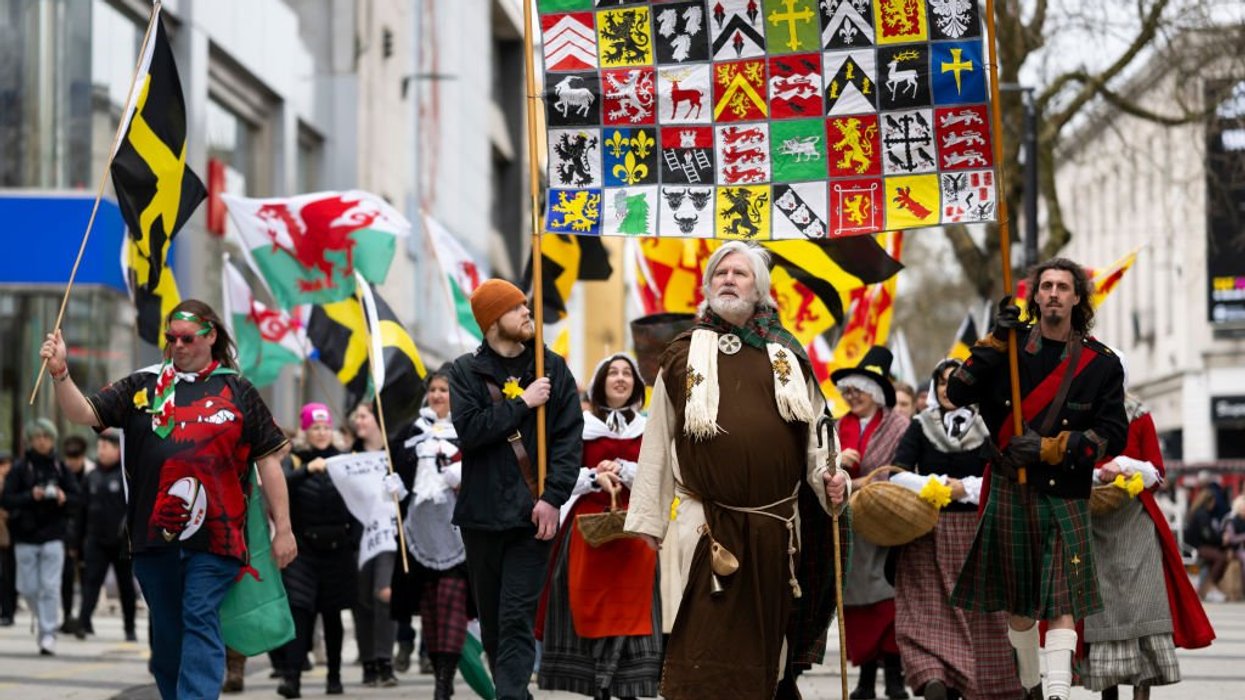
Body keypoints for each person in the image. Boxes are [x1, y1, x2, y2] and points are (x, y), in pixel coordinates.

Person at [623, 242, 850, 700]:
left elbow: (816, 440)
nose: (728, 278)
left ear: (760, 290)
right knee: (703, 646)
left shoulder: (787, 354)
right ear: (707, 287)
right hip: (704, 526)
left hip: (775, 531)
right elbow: (657, 446)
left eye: (740, 273)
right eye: (720, 272)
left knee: (767, 651)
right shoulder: (682, 355)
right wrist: (647, 524)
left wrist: (832, 480)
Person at [39, 300, 295, 699]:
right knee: (169, 631)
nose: (177, 346)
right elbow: (83, 413)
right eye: (171, 338)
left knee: (199, 613)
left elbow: (270, 463)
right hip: (152, 537)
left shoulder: (238, 389)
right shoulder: (143, 386)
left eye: (187, 338)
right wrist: (60, 373)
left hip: (218, 539)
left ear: (210, 336)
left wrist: (285, 530)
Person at [946, 258, 1128, 700]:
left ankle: (1058, 693)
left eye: (1062, 287)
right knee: (1020, 606)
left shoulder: (1100, 365)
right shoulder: (1006, 350)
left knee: (1062, 603)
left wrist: (1055, 448)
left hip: (1064, 490)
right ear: (1035, 297)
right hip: (1012, 489)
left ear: (1076, 298)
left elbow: (1113, 435)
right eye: (1045, 286)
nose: (1052, 293)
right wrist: (993, 340)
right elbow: (958, 392)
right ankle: (1031, 685)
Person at [448, 278, 584, 700]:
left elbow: (568, 440)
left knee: (515, 616)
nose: (528, 313)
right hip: (481, 516)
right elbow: (469, 431)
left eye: (526, 305)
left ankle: (509, 696)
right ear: (492, 321)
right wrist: (522, 404)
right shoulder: (464, 371)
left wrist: (552, 498)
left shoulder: (552, 367)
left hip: (532, 517)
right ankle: (512, 693)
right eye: (517, 308)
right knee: (492, 619)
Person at [890, 359, 1021, 700]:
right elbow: (897, 473)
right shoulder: (920, 425)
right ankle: (934, 676)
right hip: (927, 535)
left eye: (957, 381)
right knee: (925, 612)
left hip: (976, 534)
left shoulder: (989, 427)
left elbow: (1005, 477)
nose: (949, 388)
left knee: (981, 618)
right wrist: (931, 484)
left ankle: (973, 681)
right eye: (944, 382)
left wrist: (967, 488)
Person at [538, 353, 661, 699]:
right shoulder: (580, 425)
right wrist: (595, 476)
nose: (620, 378)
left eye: (626, 373)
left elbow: (657, 474)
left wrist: (622, 469)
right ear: (600, 383)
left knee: (631, 609)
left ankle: (627, 686)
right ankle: (600, 686)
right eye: (612, 373)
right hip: (586, 533)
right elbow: (559, 477)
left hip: (635, 531)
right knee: (591, 607)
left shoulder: (648, 427)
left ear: (636, 384)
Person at [1082, 386, 1214, 700]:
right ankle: (1108, 695)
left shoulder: (1140, 416)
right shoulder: (1079, 413)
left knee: (1146, 608)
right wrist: (1098, 475)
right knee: (1102, 613)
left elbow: (1157, 473)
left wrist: (1128, 465)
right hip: (1095, 524)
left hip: (1137, 522)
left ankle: (1143, 693)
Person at [832, 346, 911, 700]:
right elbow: (823, 473)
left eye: (857, 391)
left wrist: (862, 483)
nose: (851, 398)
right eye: (847, 392)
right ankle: (865, 680)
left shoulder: (899, 425)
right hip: (851, 528)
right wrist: (837, 463)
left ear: (876, 393)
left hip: (889, 523)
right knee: (859, 606)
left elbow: (904, 470)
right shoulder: (837, 427)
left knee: (891, 603)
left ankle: (894, 678)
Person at [390, 366, 471, 700]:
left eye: (444, 390)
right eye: (434, 389)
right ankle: (439, 672)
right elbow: (398, 468)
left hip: (457, 535)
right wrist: (394, 483)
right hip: (418, 534)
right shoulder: (412, 431)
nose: (438, 395)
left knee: (451, 604)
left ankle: (444, 680)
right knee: (430, 610)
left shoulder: (468, 429)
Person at [277, 403, 355, 697]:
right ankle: (292, 678)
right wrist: (308, 470)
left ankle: (334, 677)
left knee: (332, 614)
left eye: (325, 427)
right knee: (300, 613)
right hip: (303, 551)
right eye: (315, 428)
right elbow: (279, 487)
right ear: (306, 431)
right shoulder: (295, 461)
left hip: (338, 549)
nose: (321, 433)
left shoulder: (346, 459)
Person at [1, 418, 81, 654]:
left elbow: (78, 499)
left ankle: (48, 634)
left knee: (49, 587)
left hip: (53, 535)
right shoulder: (19, 469)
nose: (42, 441)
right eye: (37, 437)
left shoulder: (60, 467)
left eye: (46, 437)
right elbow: (6, 499)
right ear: (30, 440)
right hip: (25, 536)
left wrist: (62, 497)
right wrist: (30, 495)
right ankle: (45, 619)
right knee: (27, 588)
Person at [347, 400, 405, 688]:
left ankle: (385, 659)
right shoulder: (350, 455)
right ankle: (369, 661)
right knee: (363, 603)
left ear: (377, 419)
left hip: (390, 537)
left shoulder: (394, 454)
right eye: (356, 416)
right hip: (359, 537)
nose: (359, 421)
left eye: (364, 415)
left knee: (385, 594)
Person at [75, 429, 138, 642]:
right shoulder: (91, 477)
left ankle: (129, 627)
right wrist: (76, 541)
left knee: (126, 586)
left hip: (121, 542)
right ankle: (83, 623)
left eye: (106, 446)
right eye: (99, 446)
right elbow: (81, 512)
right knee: (91, 583)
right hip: (95, 540)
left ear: (117, 449)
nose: (101, 451)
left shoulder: (125, 476)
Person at [59, 434, 90, 635]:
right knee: (67, 577)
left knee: (89, 578)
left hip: (89, 532)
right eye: (69, 458)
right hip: (66, 531)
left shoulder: (92, 473)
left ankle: (85, 618)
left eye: (76, 458)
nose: (72, 462)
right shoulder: (61, 472)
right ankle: (68, 614)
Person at [1184, 490, 1228, 601]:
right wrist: (1221, 540)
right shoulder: (1202, 515)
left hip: (1195, 546)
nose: (1214, 506)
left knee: (1215, 557)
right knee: (1221, 557)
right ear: (1209, 502)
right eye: (1213, 503)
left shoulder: (1197, 512)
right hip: (1197, 547)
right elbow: (1207, 535)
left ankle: (1207, 586)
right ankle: (1209, 586)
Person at [0, 451, 16, 627]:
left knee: (7, 575)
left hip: (10, 535)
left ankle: (8, 611)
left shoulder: (12, 482)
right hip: (4, 534)